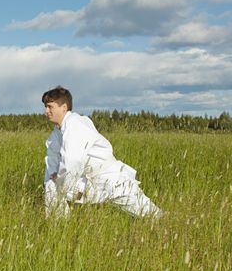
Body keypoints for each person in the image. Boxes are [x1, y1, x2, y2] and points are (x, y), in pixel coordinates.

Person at [42, 85, 163, 218]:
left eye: (50, 106)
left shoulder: (75, 124)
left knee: (151, 215)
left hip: (111, 180)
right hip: (89, 182)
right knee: (51, 185)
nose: (46, 111)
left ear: (64, 107)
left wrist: (61, 182)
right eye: (45, 107)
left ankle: (167, 225)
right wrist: (55, 179)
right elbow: (52, 162)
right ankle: (59, 226)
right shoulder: (56, 134)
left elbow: (72, 161)